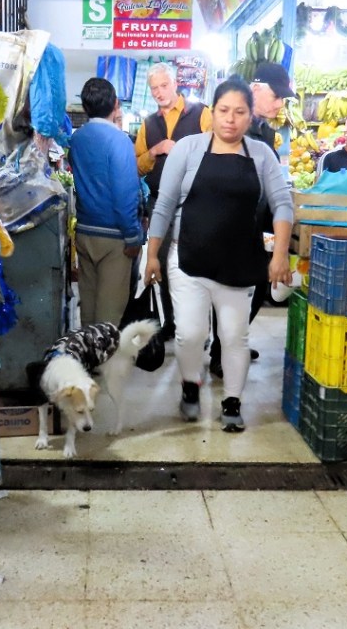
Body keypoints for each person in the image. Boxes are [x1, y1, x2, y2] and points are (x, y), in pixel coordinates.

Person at [144, 77, 293, 432]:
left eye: (239, 112)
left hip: (239, 263)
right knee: (190, 334)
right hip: (187, 259)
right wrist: (151, 254)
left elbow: (283, 202)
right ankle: (190, 385)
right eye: (224, 110)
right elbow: (164, 204)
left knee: (234, 336)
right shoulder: (189, 148)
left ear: (249, 114)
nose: (230, 119)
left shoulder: (261, 154)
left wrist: (281, 254)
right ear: (213, 112)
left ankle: (232, 401)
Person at [209, 61, 295, 377]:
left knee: (252, 289)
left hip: (255, 226)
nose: (280, 103)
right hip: (231, 226)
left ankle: (231, 343)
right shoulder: (233, 128)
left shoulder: (263, 131)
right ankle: (222, 352)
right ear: (257, 90)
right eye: (277, 96)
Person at [134, 62, 213, 340]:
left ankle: (198, 328)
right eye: (154, 88)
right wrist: (155, 150)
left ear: (175, 84)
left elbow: (216, 151)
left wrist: (182, 150)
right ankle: (171, 322)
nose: (159, 92)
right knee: (161, 262)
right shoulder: (149, 124)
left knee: (197, 262)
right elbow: (138, 166)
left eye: (163, 85)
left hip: (196, 201)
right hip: (159, 203)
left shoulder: (201, 114)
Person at [68, 78, 142, 326]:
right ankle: (104, 363)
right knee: (109, 314)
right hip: (114, 237)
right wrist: (132, 235)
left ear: (85, 107)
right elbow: (125, 194)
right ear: (116, 104)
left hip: (85, 232)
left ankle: (87, 361)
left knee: (88, 307)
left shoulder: (77, 140)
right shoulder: (119, 141)